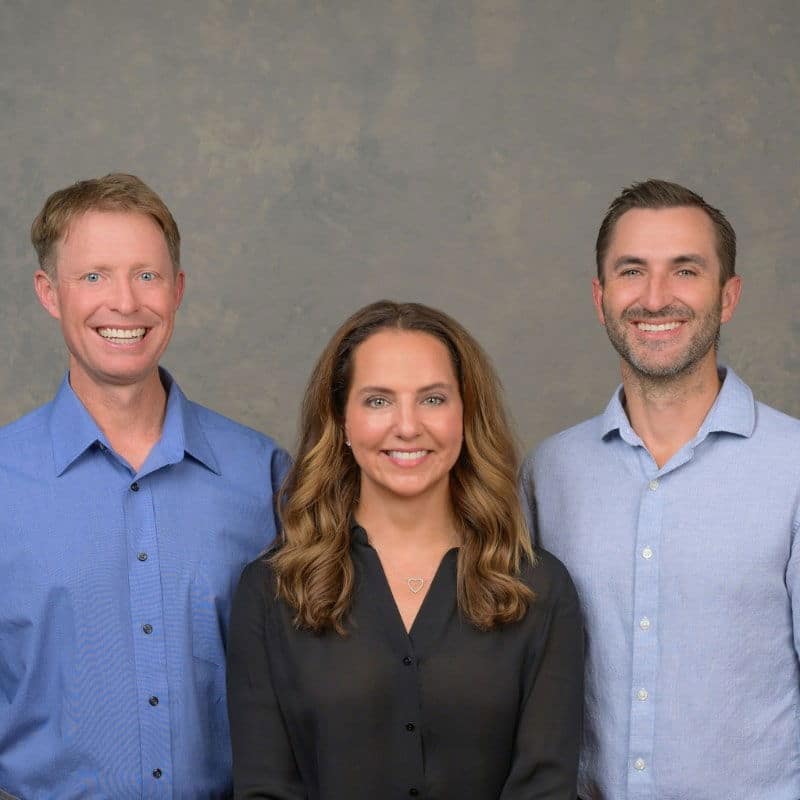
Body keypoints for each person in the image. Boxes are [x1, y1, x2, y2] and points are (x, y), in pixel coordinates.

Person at [0, 174, 290, 799]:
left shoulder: (262, 474)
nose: (125, 303)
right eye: (95, 276)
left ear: (178, 289)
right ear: (50, 294)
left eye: (147, 275)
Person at [227, 300, 583, 799]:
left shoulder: (539, 589)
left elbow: (545, 788)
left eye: (433, 399)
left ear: (466, 413)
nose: (408, 425)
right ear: (341, 420)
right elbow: (266, 788)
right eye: (378, 401)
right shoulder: (271, 593)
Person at [521, 179, 800, 799]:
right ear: (600, 297)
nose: (655, 298)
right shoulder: (548, 474)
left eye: (685, 271)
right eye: (631, 271)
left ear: (727, 297)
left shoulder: (795, 469)